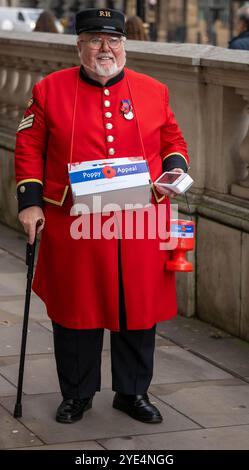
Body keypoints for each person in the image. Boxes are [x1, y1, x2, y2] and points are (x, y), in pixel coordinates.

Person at [15, 8, 189, 425]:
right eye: (94, 40)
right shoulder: (48, 90)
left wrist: (176, 169)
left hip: (138, 219)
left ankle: (132, 393)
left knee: (136, 310)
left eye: (112, 40)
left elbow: (172, 140)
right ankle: (77, 394)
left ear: (124, 44)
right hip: (75, 220)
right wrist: (31, 202)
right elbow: (28, 149)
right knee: (76, 309)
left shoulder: (154, 90)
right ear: (79, 45)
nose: (104, 48)